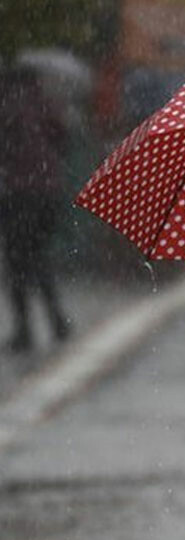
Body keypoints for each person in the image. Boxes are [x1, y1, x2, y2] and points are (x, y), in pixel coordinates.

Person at [0, 65, 71, 352]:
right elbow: (62, 137)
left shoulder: (6, 106)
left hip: (17, 192)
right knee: (39, 255)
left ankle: (25, 328)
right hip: (48, 190)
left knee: (17, 261)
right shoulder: (44, 102)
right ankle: (56, 319)